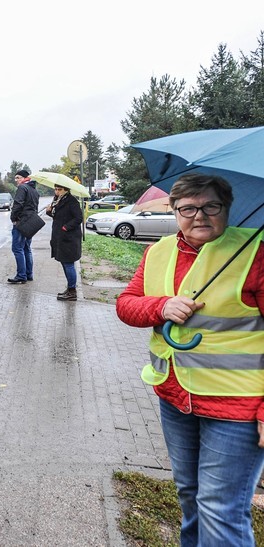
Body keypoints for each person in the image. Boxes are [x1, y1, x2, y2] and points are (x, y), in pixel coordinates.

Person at [116, 174, 264, 546]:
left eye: (210, 206)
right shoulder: (158, 251)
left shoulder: (255, 252)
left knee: (220, 508)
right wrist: (161, 305)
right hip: (176, 397)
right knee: (189, 494)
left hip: (239, 409)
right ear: (174, 210)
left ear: (227, 208)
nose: (199, 216)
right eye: (188, 208)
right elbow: (126, 304)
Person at [45, 184, 82, 301]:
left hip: (69, 237)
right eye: (55, 189)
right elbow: (57, 216)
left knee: (69, 264)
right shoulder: (57, 200)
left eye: (59, 189)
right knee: (64, 262)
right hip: (60, 237)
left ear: (66, 189)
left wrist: (66, 227)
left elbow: (78, 218)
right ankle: (69, 288)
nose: (57, 191)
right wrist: (49, 212)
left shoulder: (72, 201)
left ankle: (72, 291)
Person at [8, 170, 39, 284]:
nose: (16, 180)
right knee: (26, 248)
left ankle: (21, 275)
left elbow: (18, 204)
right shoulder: (33, 189)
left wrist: (13, 218)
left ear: (25, 178)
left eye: (18, 177)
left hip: (21, 222)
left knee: (17, 248)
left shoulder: (22, 188)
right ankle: (28, 274)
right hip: (30, 223)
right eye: (15, 178)